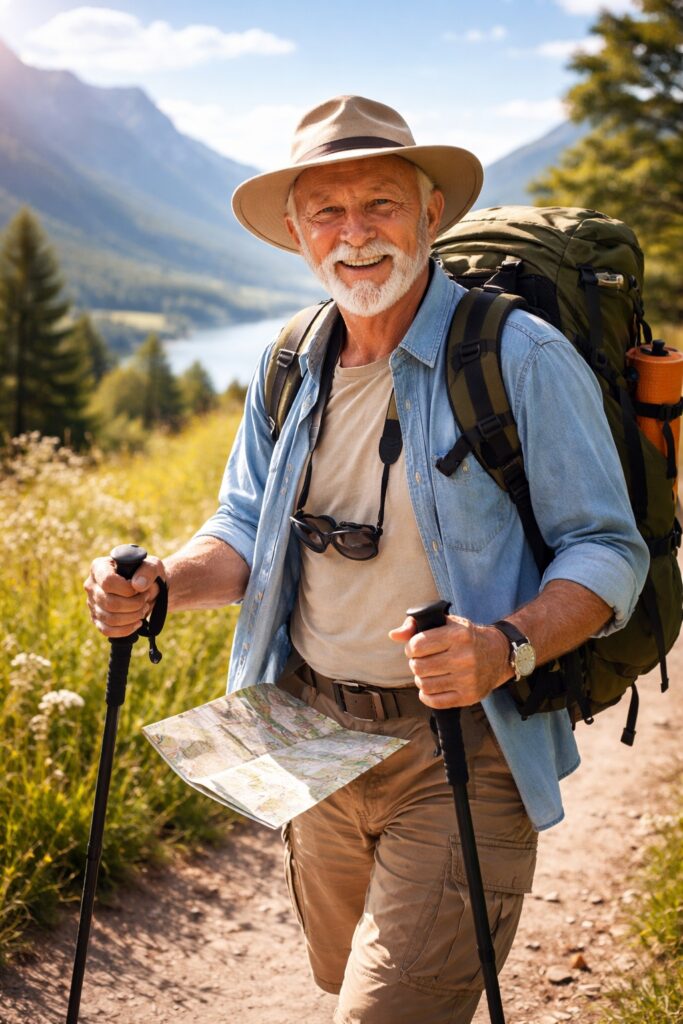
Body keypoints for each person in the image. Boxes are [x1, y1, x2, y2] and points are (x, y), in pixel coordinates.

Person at [85, 96, 649, 1024]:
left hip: (462, 754)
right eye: (327, 213)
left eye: (380, 205)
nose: (354, 236)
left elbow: (607, 548)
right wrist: (158, 590)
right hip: (311, 744)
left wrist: (504, 645)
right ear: (298, 233)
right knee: (342, 986)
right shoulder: (288, 360)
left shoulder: (519, 357)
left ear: (431, 213)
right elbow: (241, 524)